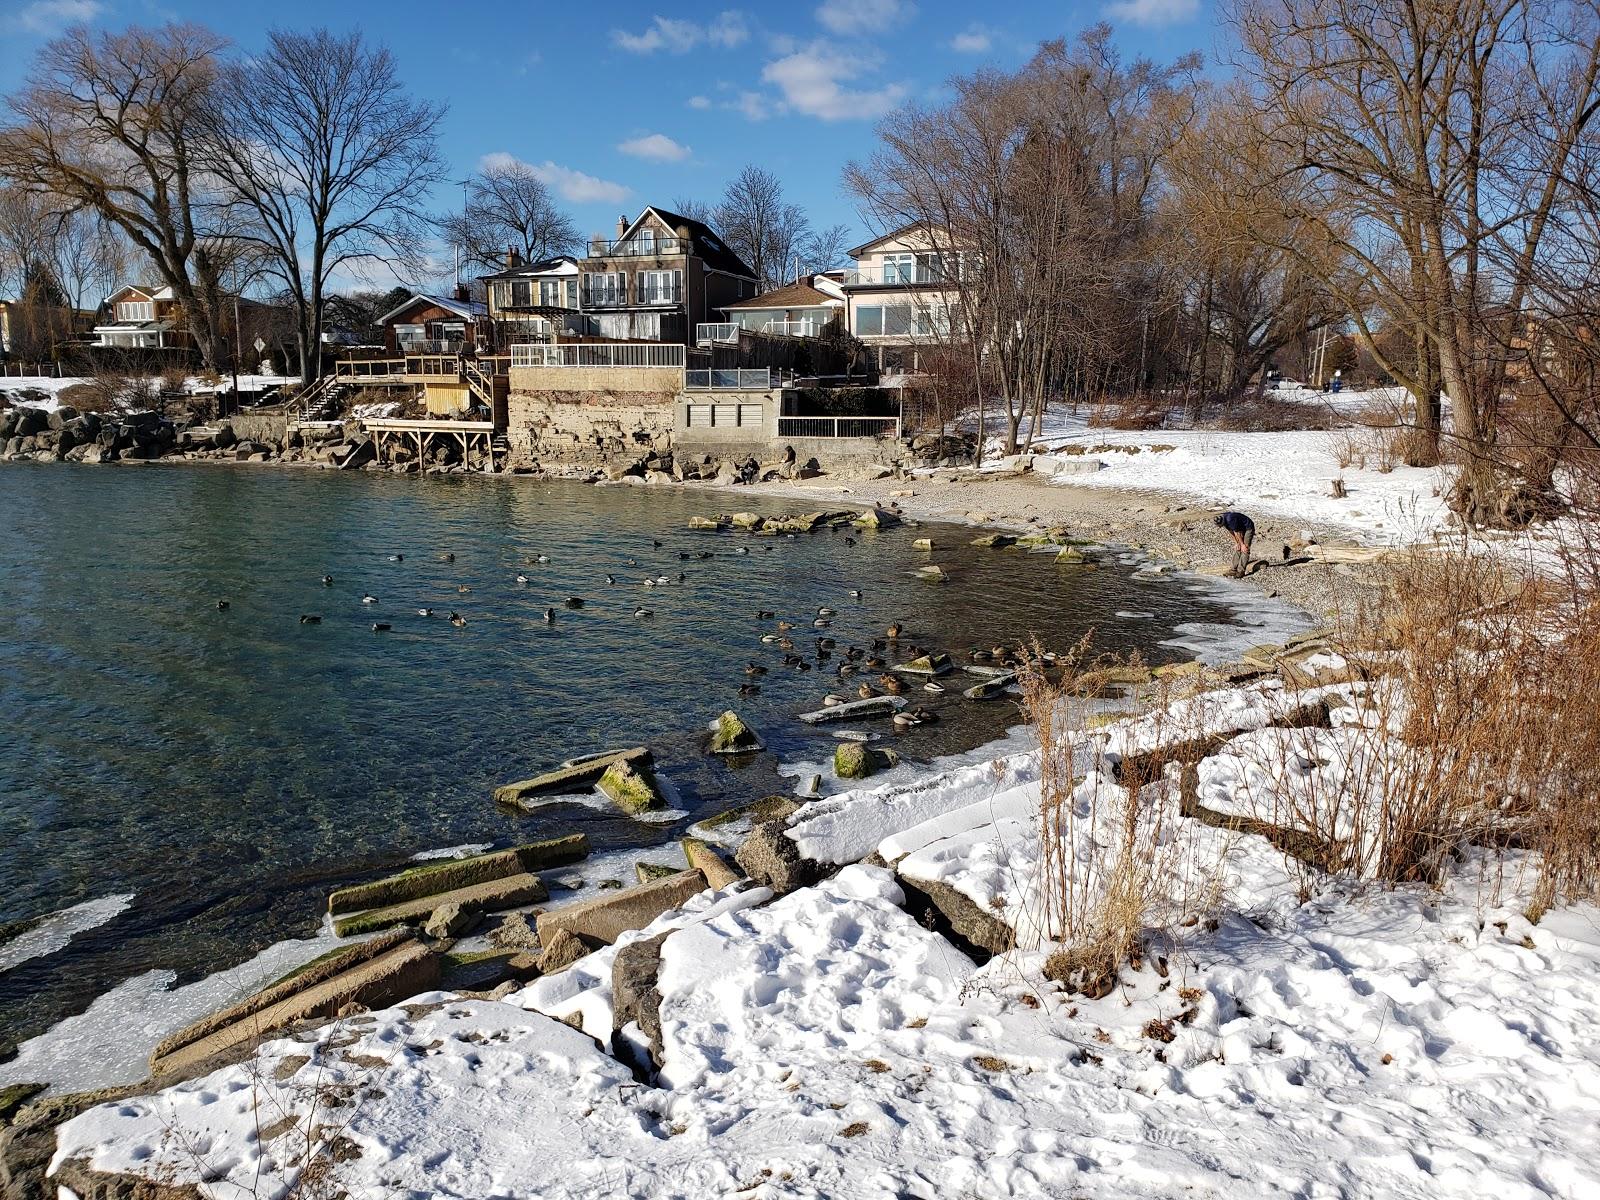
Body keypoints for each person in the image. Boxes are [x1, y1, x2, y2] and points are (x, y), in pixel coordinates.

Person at [1214, 511, 1255, 577]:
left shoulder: (1230, 519)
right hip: (1240, 528)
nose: (1220, 527)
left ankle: (1241, 571)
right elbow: (1231, 532)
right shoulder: (1224, 520)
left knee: (1245, 549)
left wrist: (1242, 544)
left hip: (1248, 527)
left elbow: (1237, 533)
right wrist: (1236, 543)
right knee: (1238, 548)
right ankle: (1233, 570)